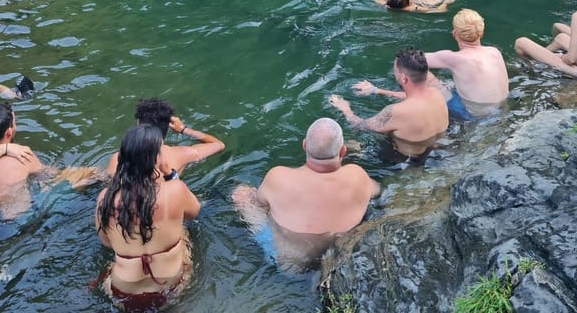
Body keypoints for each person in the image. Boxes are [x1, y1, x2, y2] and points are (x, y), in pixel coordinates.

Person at [231, 117, 381, 271]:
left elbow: (260, 202)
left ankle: (268, 245)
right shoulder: (357, 175)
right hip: (343, 251)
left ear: (304, 145)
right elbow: (377, 191)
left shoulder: (278, 177)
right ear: (343, 150)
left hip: (292, 261)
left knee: (242, 194)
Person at [96, 124, 200, 310]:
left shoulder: (105, 197)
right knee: (183, 233)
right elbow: (194, 213)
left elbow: (106, 242)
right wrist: (170, 174)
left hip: (121, 291)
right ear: (156, 159)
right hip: (170, 286)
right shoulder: (175, 190)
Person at [354, 9, 509, 119]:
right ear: (481, 33)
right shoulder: (494, 52)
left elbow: (405, 59)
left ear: (454, 33)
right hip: (502, 109)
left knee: (420, 73)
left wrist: (379, 88)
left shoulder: (452, 58)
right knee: (428, 76)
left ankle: (377, 91)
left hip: (474, 116)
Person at [0, 102, 107, 218]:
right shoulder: (21, 156)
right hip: (23, 218)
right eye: (14, 123)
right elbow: (50, 175)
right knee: (89, 172)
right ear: (9, 132)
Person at [330, 48, 449, 159]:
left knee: (349, 147)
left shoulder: (395, 111)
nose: (394, 74)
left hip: (407, 161)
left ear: (403, 78)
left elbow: (361, 126)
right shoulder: (437, 94)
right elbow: (412, 97)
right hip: (438, 149)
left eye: (395, 71)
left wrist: (346, 109)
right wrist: (376, 91)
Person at [106, 97, 225, 178]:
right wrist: (184, 129)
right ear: (168, 126)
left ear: (138, 123)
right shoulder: (180, 155)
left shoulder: (118, 159)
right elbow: (219, 145)